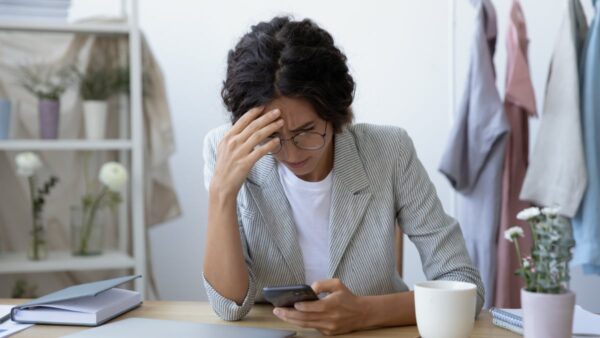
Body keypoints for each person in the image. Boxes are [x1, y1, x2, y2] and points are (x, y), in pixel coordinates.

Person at [203, 16, 484, 335]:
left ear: (334, 113)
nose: (292, 154)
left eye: (307, 131)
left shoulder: (389, 151)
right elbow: (227, 306)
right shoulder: (225, 150)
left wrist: (365, 313)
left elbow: (466, 288)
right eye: (273, 137)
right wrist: (221, 195)